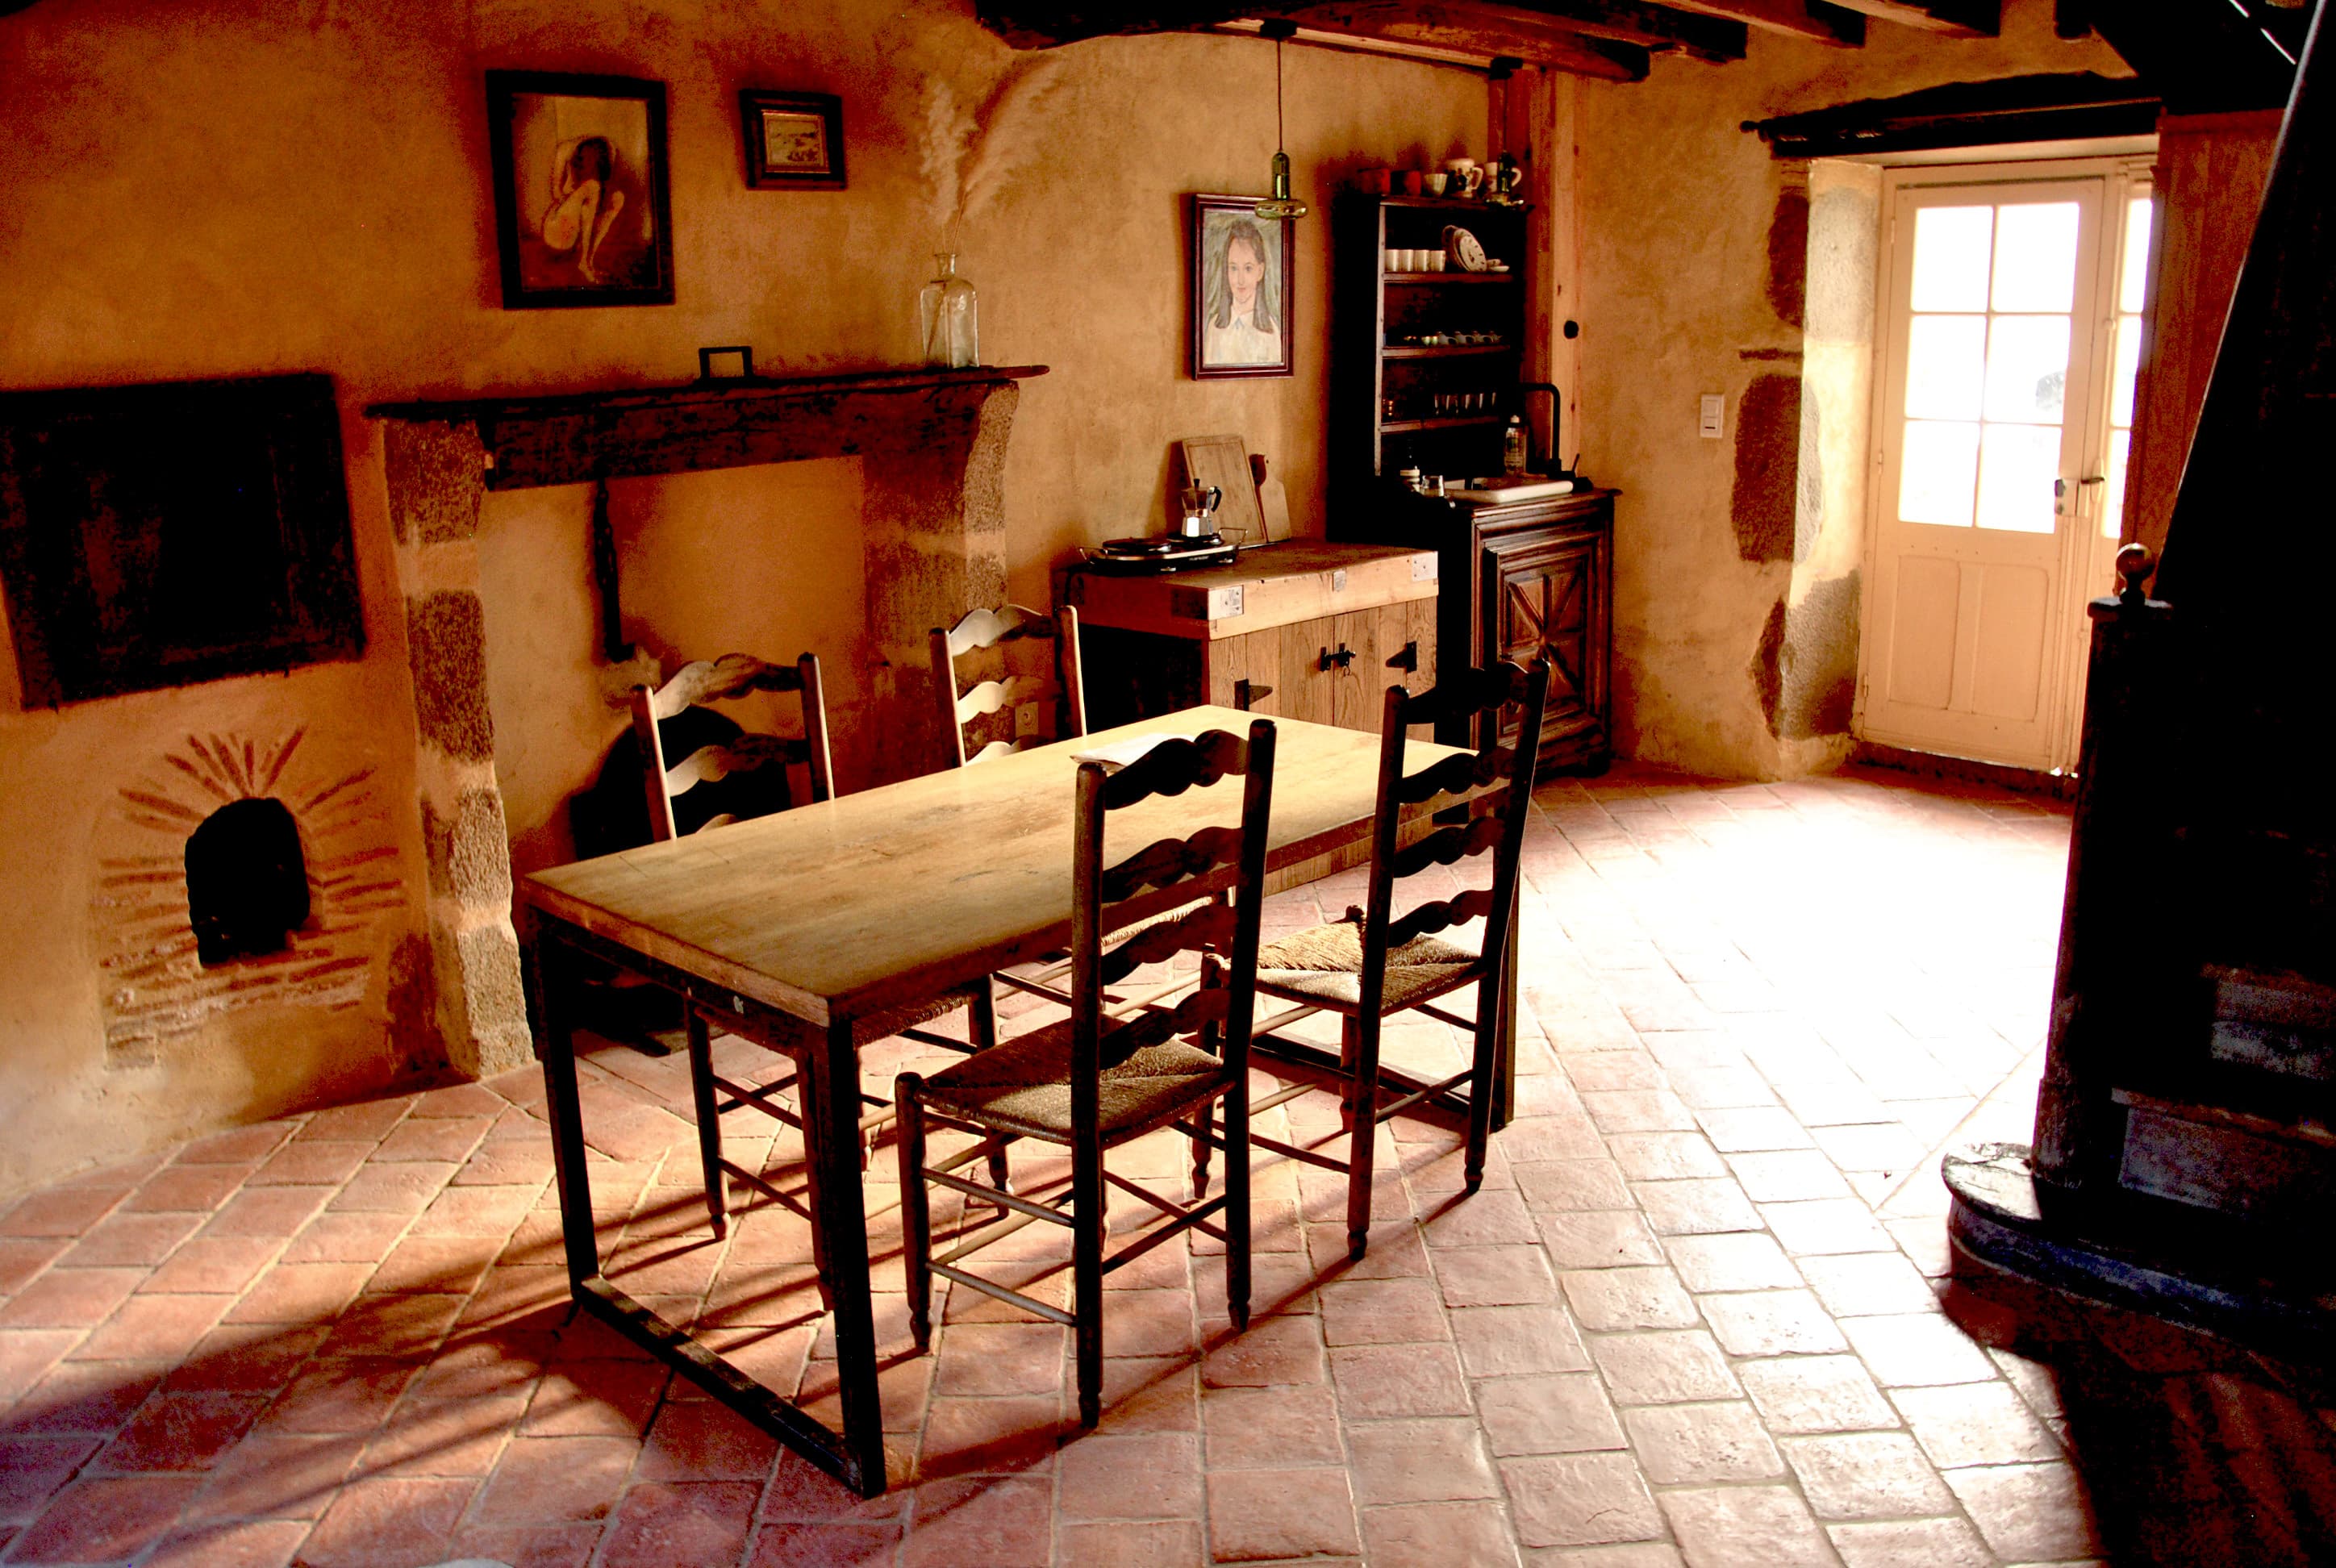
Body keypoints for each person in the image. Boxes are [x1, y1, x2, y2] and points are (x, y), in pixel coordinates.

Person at [540, 135, 628, 284]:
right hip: (560, 230)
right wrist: (576, 200)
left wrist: (588, 205)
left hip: (583, 219)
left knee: (618, 197)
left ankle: (588, 260)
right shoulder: (566, 149)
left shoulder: (609, 150)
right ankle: (584, 262)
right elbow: (556, 192)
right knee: (592, 187)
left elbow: (604, 187)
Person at [1203, 219, 1283, 366]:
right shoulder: (1214, 329)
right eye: (1233, 268)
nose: (1240, 280)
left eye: (1248, 268)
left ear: (1260, 271)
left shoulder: (1271, 333)